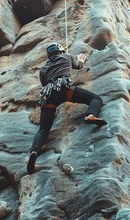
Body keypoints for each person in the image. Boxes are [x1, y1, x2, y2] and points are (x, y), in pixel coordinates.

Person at [27, 43, 107, 174]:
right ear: (61, 50)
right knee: (95, 99)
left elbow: (44, 83)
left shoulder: (43, 69)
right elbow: (78, 65)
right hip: (65, 89)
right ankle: (90, 115)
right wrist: (81, 60)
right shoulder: (67, 57)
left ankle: (34, 151)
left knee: (43, 129)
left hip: (49, 95)